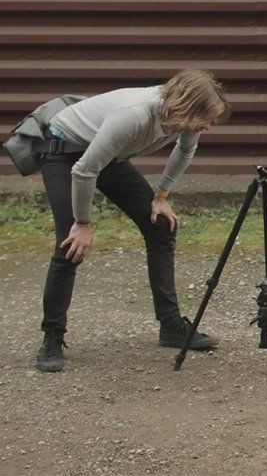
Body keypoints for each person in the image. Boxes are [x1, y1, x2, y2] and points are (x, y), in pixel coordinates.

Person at [36, 69, 232, 372]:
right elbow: (85, 171)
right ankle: (52, 337)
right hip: (64, 152)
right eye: (205, 118)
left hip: (107, 156)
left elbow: (185, 151)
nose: (208, 125)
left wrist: (161, 194)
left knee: (161, 226)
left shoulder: (186, 118)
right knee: (70, 242)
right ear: (185, 106)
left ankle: (170, 327)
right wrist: (83, 224)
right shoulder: (133, 116)